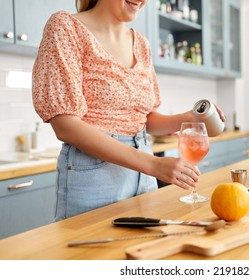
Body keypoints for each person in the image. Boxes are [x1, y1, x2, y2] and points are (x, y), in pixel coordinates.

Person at [32, 0, 225, 221]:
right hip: (94, 176)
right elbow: (65, 125)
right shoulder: (66, 27)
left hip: (144, 172)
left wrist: (189, 118)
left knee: (143, 250)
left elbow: (145, 119)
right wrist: (154, 165)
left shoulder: (141, 43)